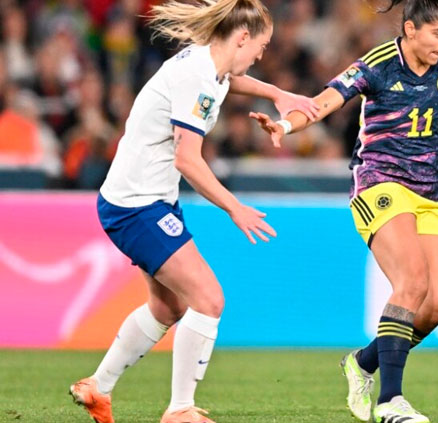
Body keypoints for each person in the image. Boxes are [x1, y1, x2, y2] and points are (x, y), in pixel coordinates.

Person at [251, 0, 438, 421]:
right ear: (410, 30)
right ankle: (391, 400)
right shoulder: (378, 64)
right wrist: (285, 125)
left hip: (435, 191)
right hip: (381, 182)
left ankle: (363, 363)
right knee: (412, 281)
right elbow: (326, 102)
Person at [68, 1, 319, 423]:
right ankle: (179, 410)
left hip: (144, 199)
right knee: (209, 299)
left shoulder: (207, 64)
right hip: (137, 205)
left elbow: (230, 80)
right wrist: (235, 208)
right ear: (242, 38)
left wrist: (277, 93)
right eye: (261, 46)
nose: (261, 55)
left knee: (168, 309)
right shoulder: (197, 78)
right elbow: (188, 159)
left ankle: (98, 386)